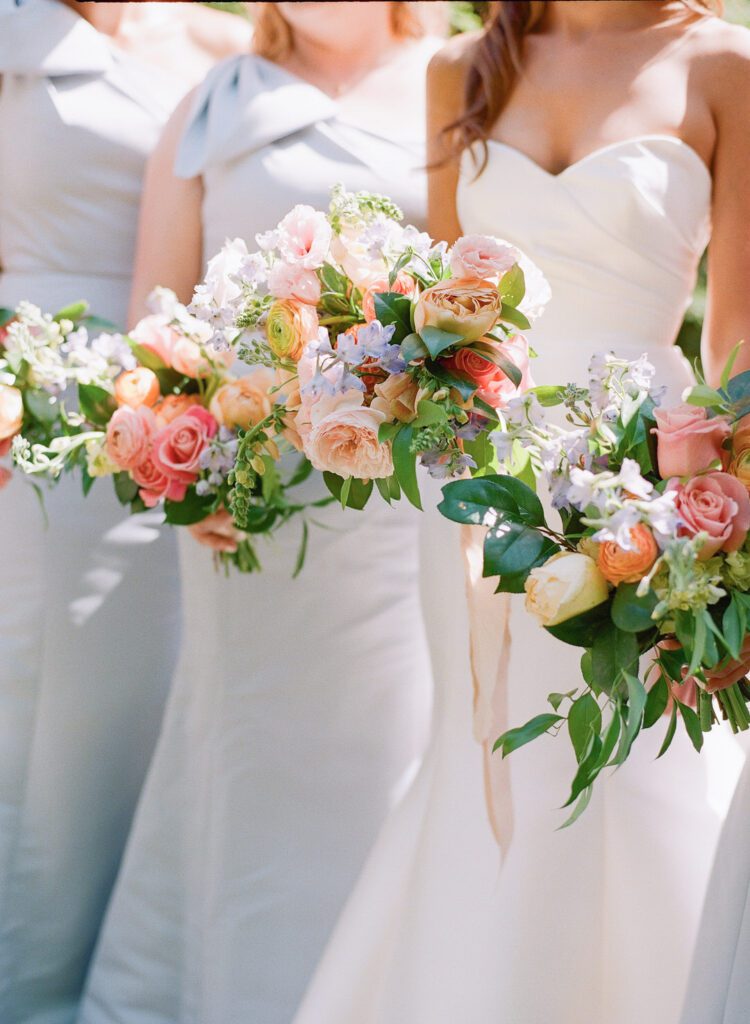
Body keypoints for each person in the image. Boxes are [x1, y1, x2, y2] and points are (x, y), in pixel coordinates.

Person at [292, 2, 750, 1023]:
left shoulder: (725, 63)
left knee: (640, 768)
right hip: (477, 488)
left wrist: (725, 520)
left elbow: (738, 341)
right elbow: (447, 305)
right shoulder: (459, 67)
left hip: (646, 484)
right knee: (488, 751)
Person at [78, 5, 441, 1022]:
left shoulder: (455, 87)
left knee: (389, 750)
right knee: (247, 757)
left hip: (397, 502)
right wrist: (174, 456)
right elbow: (156, 318)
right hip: (253, 506)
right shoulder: (210, 103)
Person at [0, 2, 249, 1021]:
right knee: (52, 710)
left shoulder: (227, 49)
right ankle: (34, 983)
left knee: (172, 703)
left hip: (202, 418)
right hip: (43, 413)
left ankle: (132, 982)